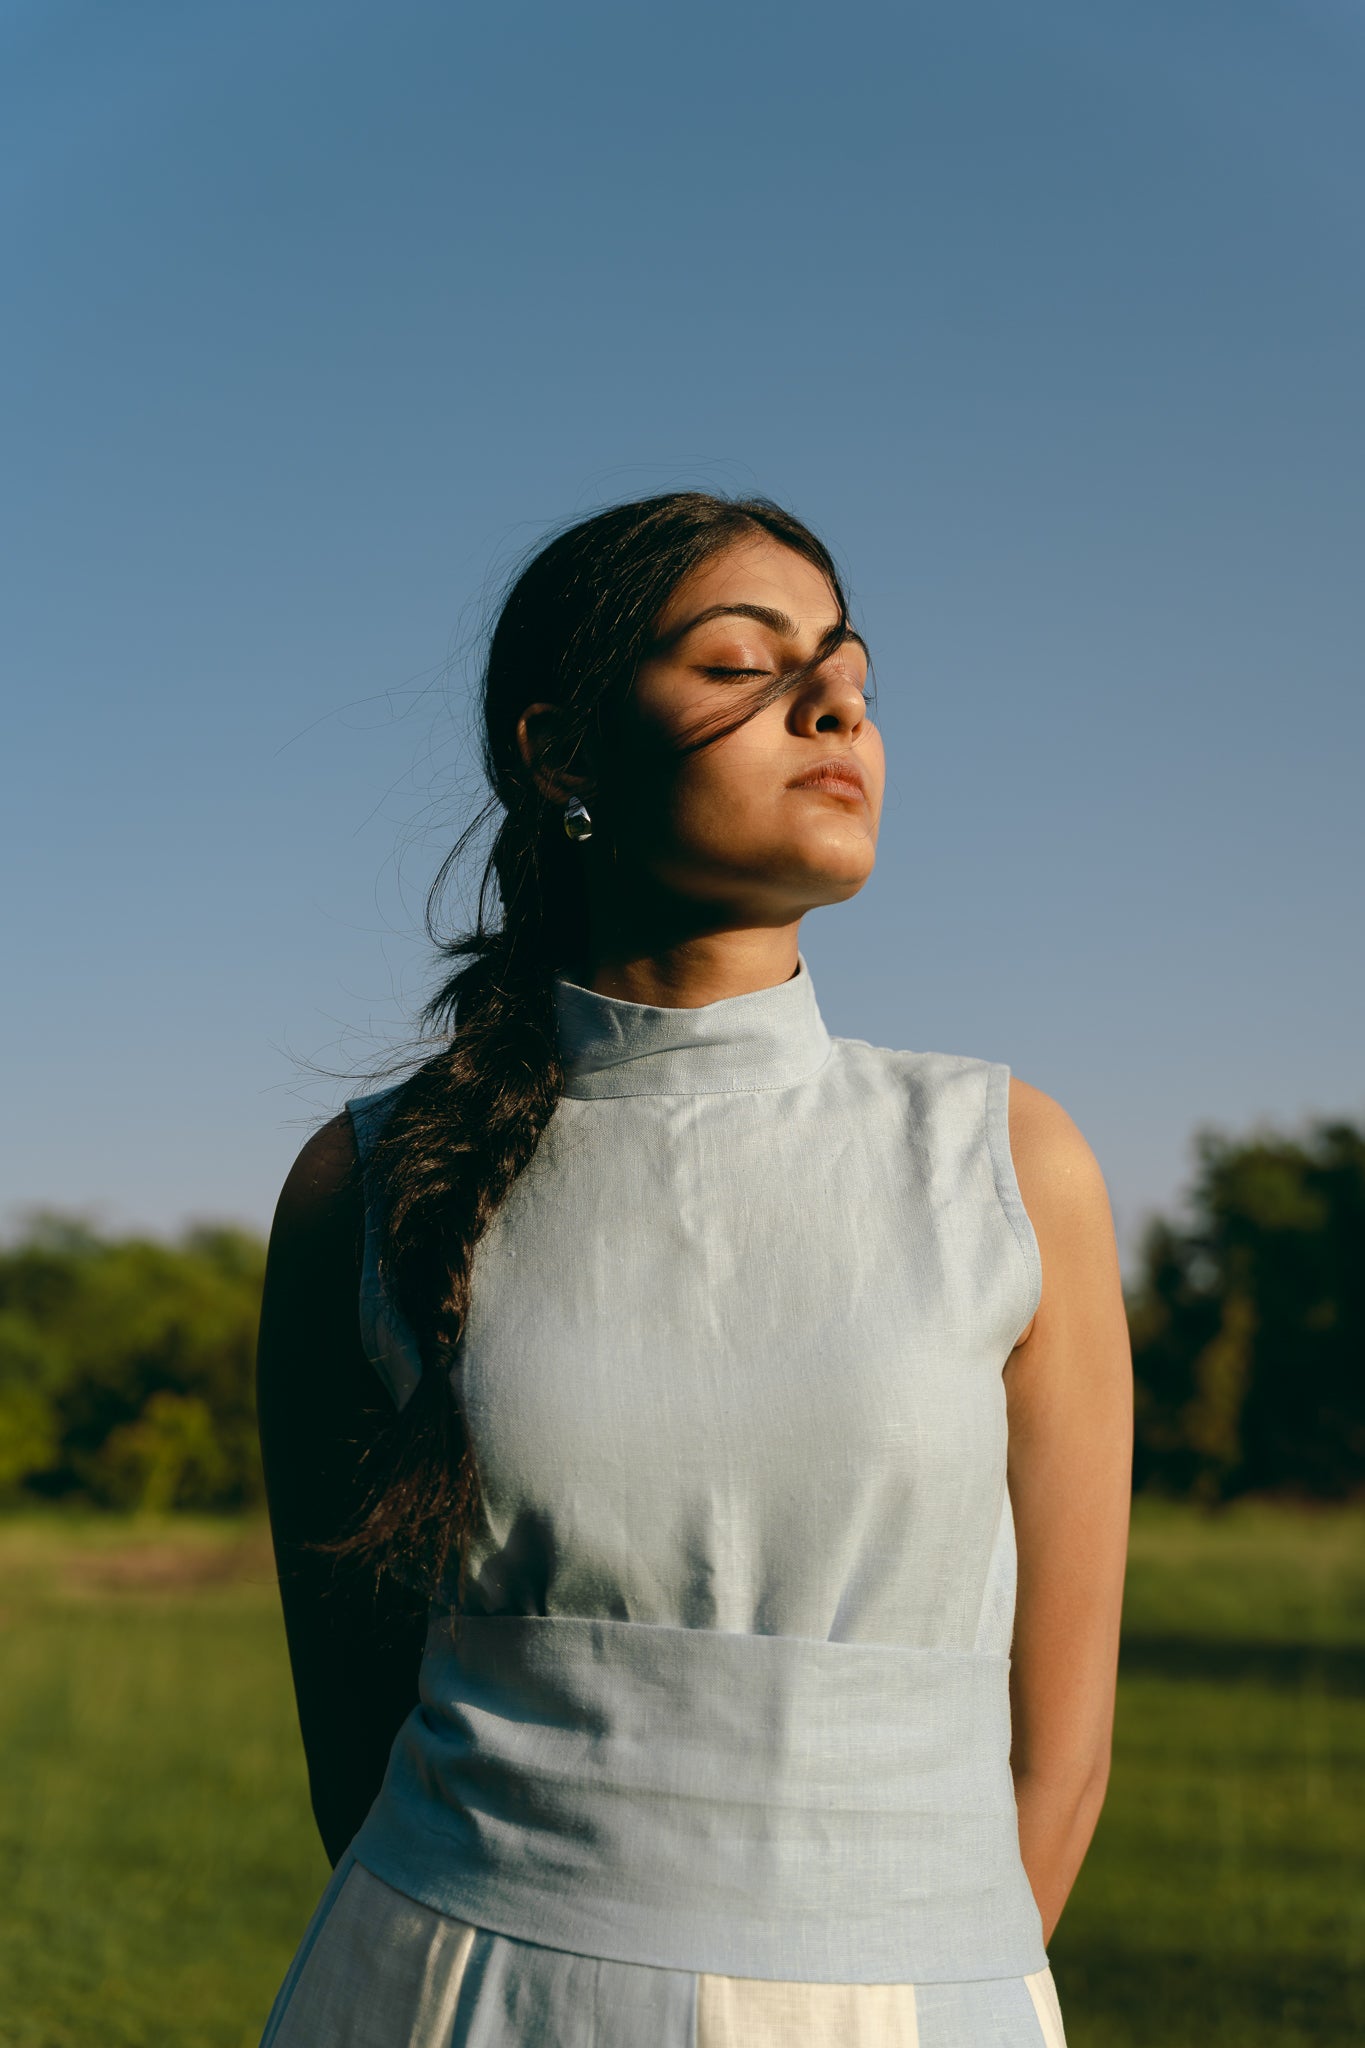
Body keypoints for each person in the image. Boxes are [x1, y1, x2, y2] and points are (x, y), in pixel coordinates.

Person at [254, 490, 1133, 2047]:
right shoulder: (368, 1185)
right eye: (741, 660)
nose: (834, 698)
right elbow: (351, 1730)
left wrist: (915, 1972)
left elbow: (1056, 1756)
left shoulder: (1008, 1161)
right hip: (447, 1989)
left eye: (848, 665)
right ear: (560, 754)